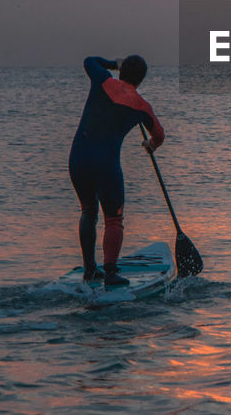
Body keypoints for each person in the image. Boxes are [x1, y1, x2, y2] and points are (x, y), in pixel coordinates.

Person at [69, 55, 163, 285]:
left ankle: (90, 269)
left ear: (121, 72)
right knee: (113, 218)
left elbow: (89, 60)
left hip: (78, 158)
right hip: (106, 164)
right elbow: (159, 135)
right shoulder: (141, 106)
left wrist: (113, 64)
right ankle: (110, 273)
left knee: (88, 212)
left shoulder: (103, 80)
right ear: (140, 81)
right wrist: (150, 145)